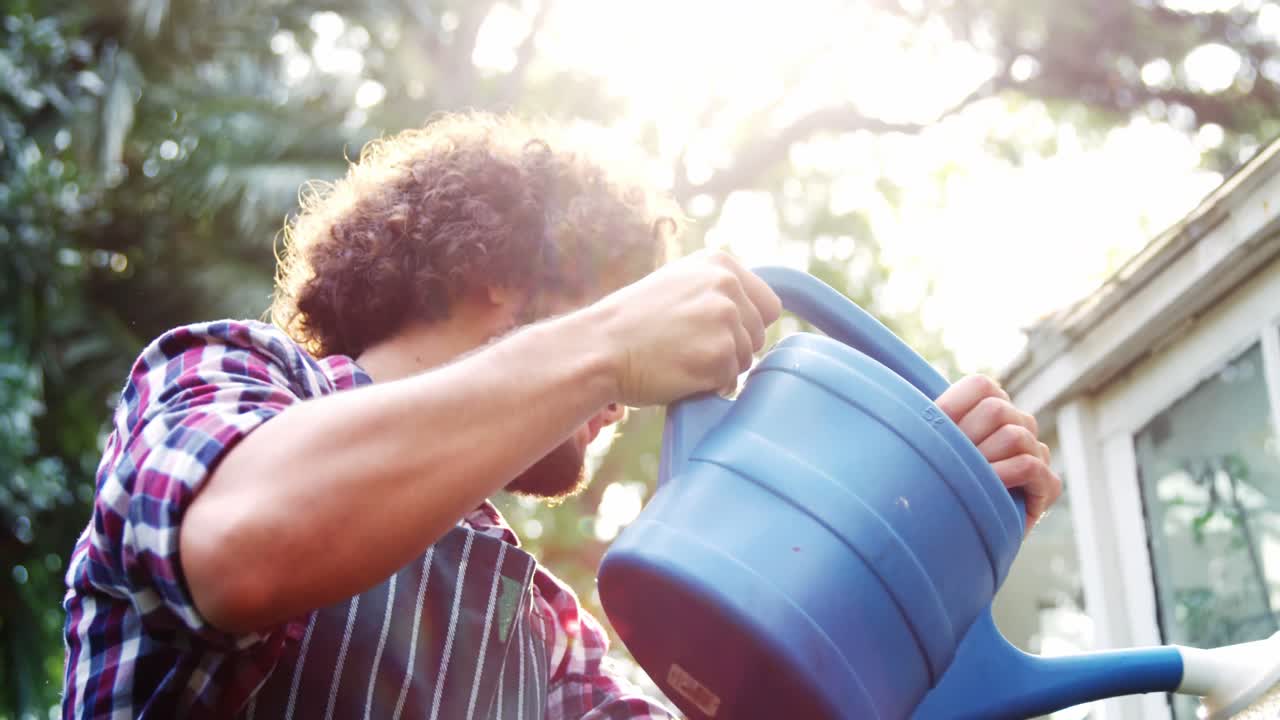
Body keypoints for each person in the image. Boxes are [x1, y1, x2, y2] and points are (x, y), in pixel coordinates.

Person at [61, 112, 1061, 719]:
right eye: (619, 293)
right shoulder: (222, 376)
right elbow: (245, 548)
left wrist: (920, 538)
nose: (628, 402)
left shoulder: (536, 630)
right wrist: (605, 347)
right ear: (494, 271)